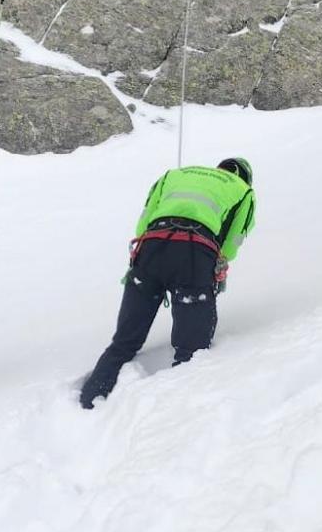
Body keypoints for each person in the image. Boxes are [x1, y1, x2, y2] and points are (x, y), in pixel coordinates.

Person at [78, 158, 256, 409]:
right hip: (194, 255)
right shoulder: (243, 190)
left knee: (124, 343)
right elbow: (233, 241)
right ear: (245, 177)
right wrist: (218, 266)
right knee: (192, 354)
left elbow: (143, 222)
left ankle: (88, 404)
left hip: (151, 249)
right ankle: (174, 421)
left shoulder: (174, 175)